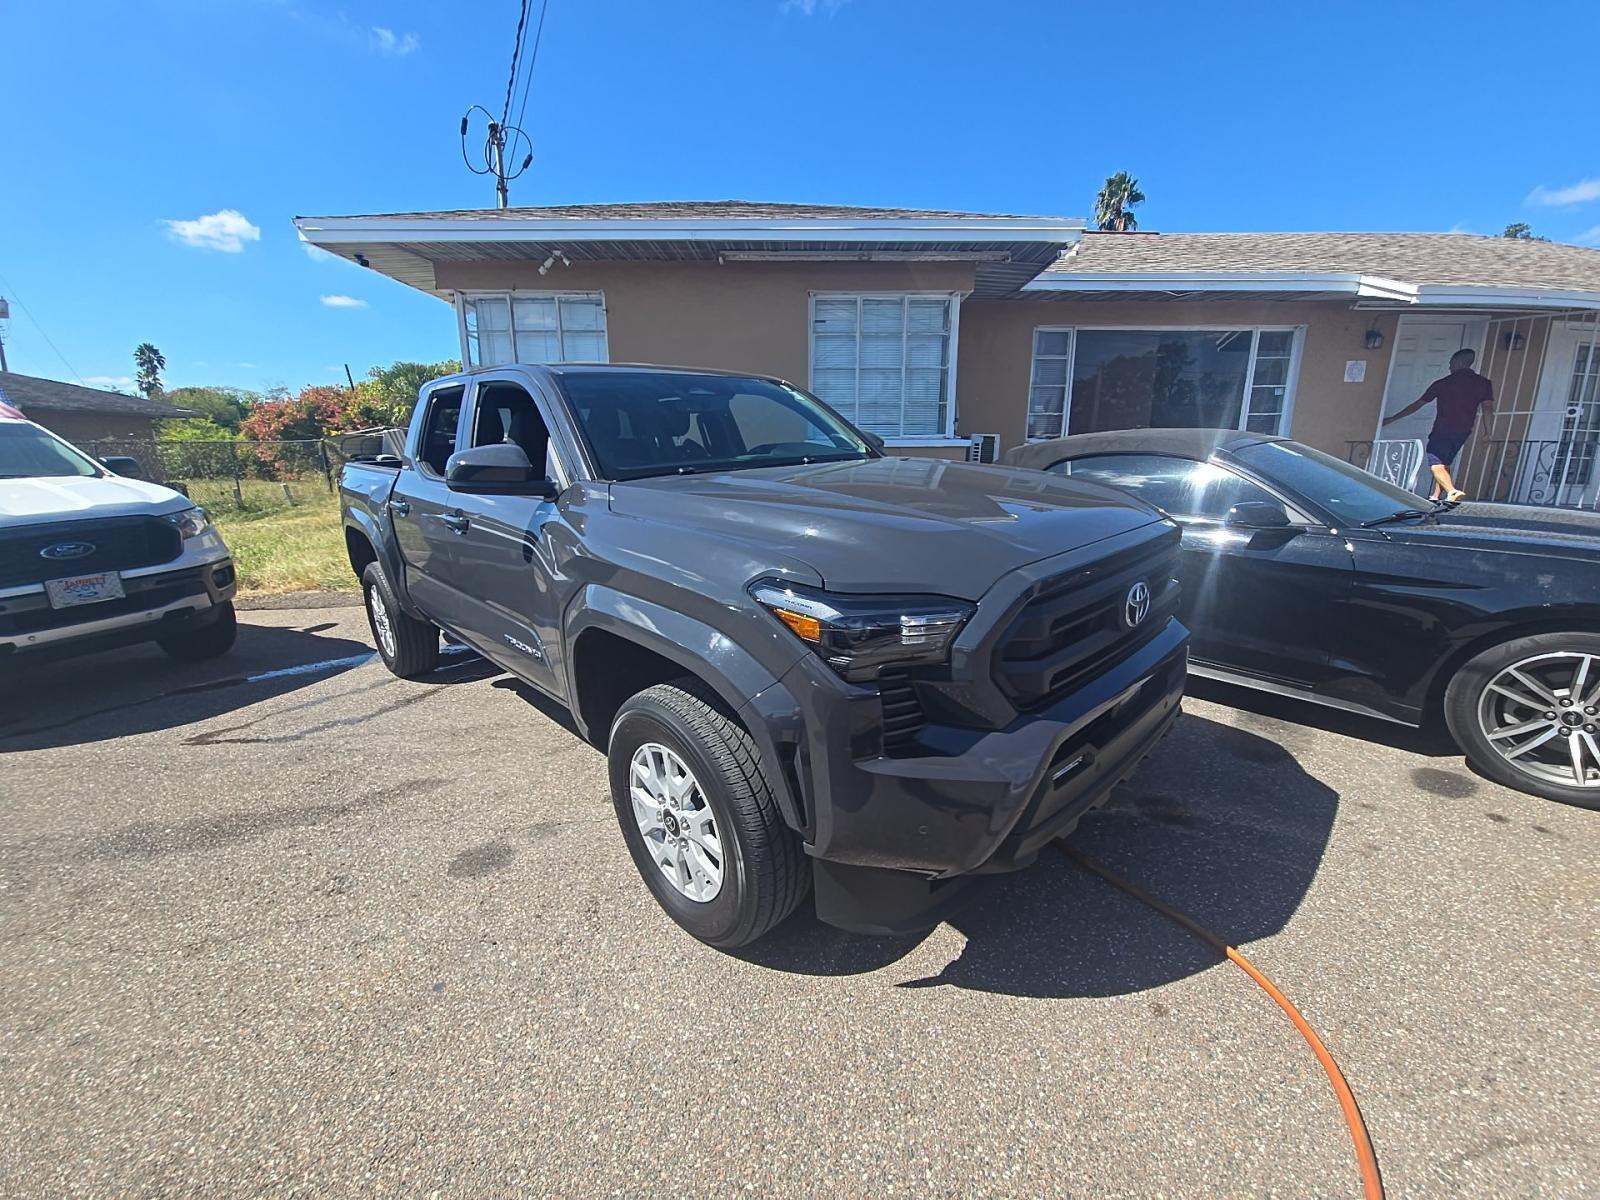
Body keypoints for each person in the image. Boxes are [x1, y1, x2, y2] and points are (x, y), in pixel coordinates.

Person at [1382, 347, 1493, 502]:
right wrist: (1488, 432)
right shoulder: (1484, 383)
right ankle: (1435, 496)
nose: (1449, 366)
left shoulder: (1444, 383)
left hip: (1443, 428)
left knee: (1435, 461)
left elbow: (1418, 404)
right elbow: (1487, 408)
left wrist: (1393, 418)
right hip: (1464, 430)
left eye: (1451, 363)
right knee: (1445, 461)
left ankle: (1451, 491)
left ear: (1459, 362)